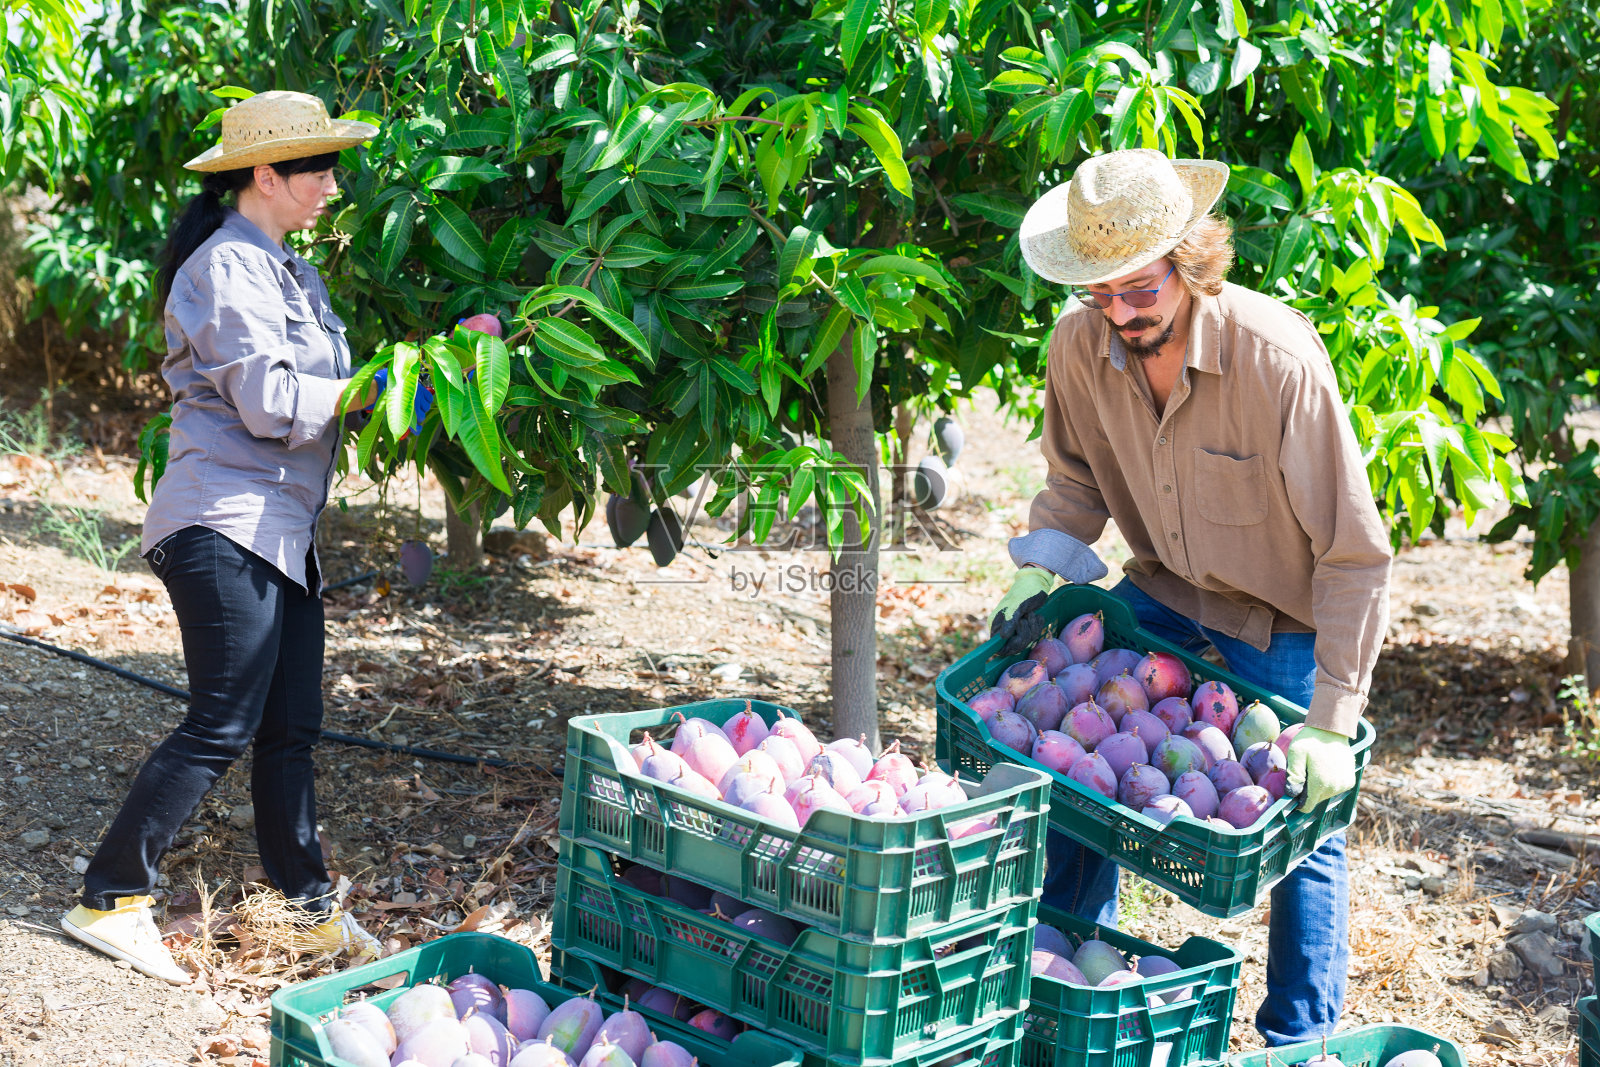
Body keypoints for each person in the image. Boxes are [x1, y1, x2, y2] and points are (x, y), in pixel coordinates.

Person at [991, 148, 1392, 1044]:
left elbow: (1355, 553)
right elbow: (1075, 481)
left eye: (1140, 289)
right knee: (1074, 770)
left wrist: (1332, 718)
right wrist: (1039, 566)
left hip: (1280, 616)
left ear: (1190, 259)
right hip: (1165, 592)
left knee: (1302, 823)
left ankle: (1300, 1040)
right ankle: (1067, 974)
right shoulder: (1080, 346)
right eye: (1099, 293)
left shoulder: (1275, 360)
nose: (1120, 313)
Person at [60, 91, 384, 984]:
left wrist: (443, 375)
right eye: (317, 169)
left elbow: (337, 401)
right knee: (224, 720)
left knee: (290, 727)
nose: (331, 185)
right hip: (223, 522)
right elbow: (273, 403)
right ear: (265, 175)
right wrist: (383, 382)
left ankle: (307, 911)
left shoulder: (291, 271)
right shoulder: (227, 267)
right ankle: (109, 896)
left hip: (281, 531)